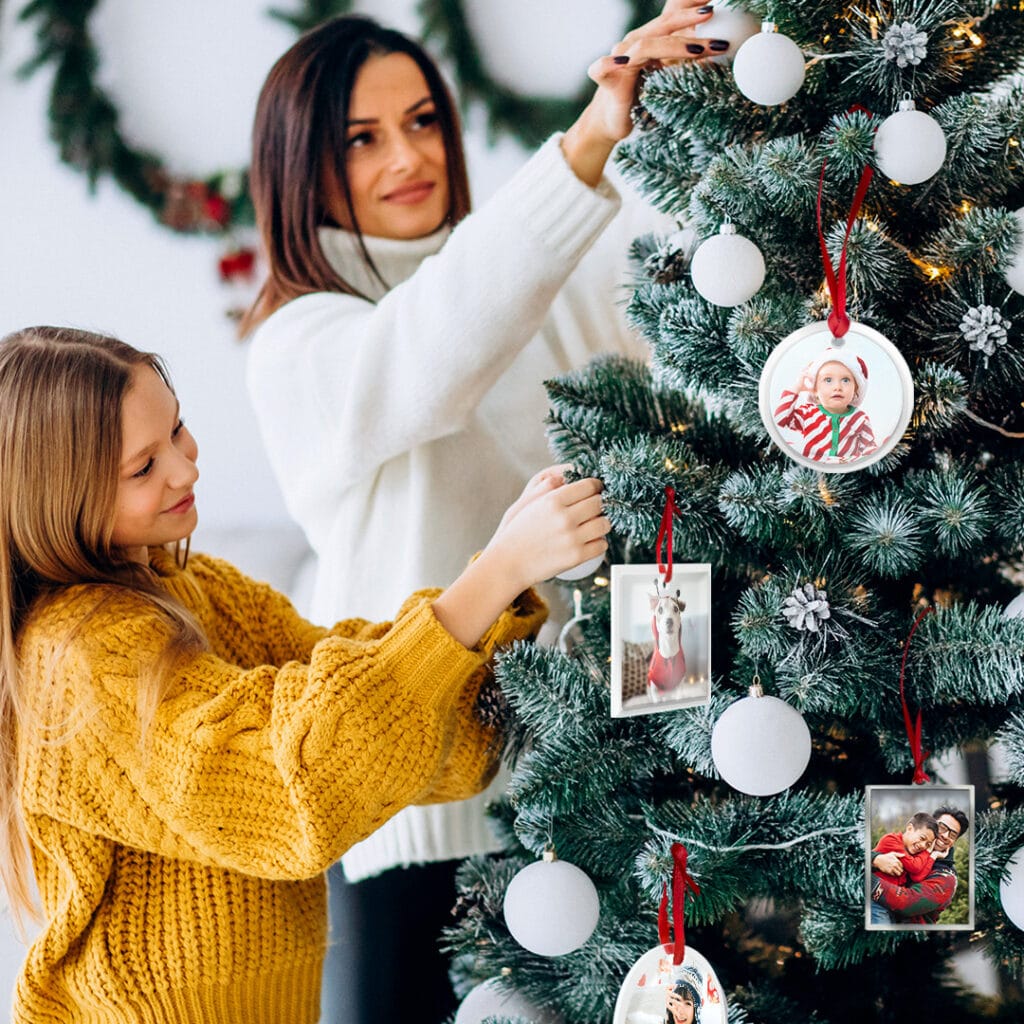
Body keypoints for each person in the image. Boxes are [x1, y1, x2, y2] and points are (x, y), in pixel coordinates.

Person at [240, 4, 724, 1019]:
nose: (408, 157)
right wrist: (588, 136)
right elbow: (436, 353)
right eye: (360, 140)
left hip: (589, 788)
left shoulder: (529, 270)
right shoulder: (303, 339)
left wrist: (704, 90)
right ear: (298, 166)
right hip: (424, 814)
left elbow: (657, 426)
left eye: (421, 121)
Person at [0, 326, 610, 1023]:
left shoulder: (203, 587)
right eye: (143, 467)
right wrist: (497, 572)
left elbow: (368, 706)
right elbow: (297, 791)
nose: (184, 468)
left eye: (178, 429)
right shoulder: (78, 656)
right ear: (59, 496)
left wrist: (496, 588)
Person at [774, 348, 878, 462]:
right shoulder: (807, 413)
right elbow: (780, 419)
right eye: (828, 380)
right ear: (815, 390)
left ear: (856, 390)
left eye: (845, 380)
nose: (837, 387)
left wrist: (847, 462)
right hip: (811, 472)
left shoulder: (860, 419)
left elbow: (870, 449)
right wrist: (797, 388)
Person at [871, 806, 970, 926]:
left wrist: (868, 880)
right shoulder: (908, 847)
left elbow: (906, 903)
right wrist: (875, 859)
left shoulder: (946, 878)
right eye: (942, 827)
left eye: (953, 835)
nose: (945, 835)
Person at [868, 812, 939, 925]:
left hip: (891, 904)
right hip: (876, 901)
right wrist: (928, 852)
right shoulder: (891, 840)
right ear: (910, 828)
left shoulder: (912, 854)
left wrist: (933, 857)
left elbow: (917, 877)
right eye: (922, 838)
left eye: (928, 844)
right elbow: (915, 867)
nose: (922, 845)